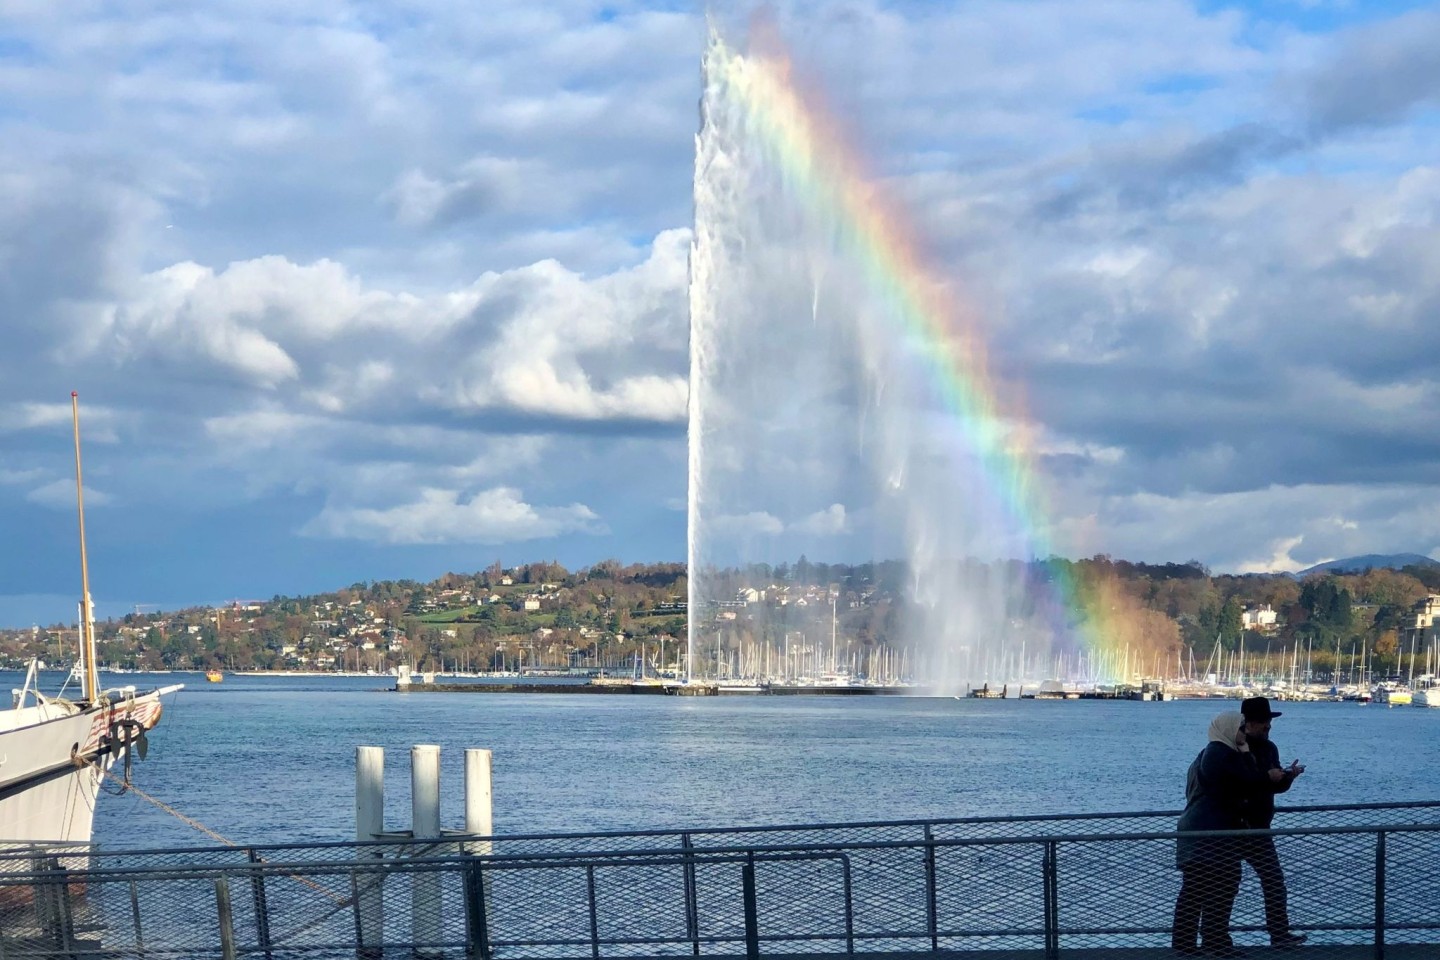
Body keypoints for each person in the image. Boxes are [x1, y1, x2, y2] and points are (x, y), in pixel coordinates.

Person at [1173, 711, 1285, 957]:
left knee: (1198, 887)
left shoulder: (1213, 753)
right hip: (1210, 832)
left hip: (1202, 830)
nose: (1244, 733)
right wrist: (1258, 766)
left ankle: (1187, 945)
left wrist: (1245, 752)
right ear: (1229, 728)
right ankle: (1213, 943)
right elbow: (1247, 780)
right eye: (1241, 728)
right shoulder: (1219, 754)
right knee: (1220, 885)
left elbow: (1244, 780)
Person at [1239, 696, 1307, 949]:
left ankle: (1279, 934)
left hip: (1260, 826)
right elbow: (1236, 781)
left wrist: (1287, 778)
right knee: (1225, 883)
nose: (1268, 728)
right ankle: (1216, 938)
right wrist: (1266, 777)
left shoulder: (1270, 748)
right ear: (1250, 723)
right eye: (1264, 724)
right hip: (1234, 824)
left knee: (1274, 881)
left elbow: (1274, 787)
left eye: (1269, 723)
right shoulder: (1233, 747)